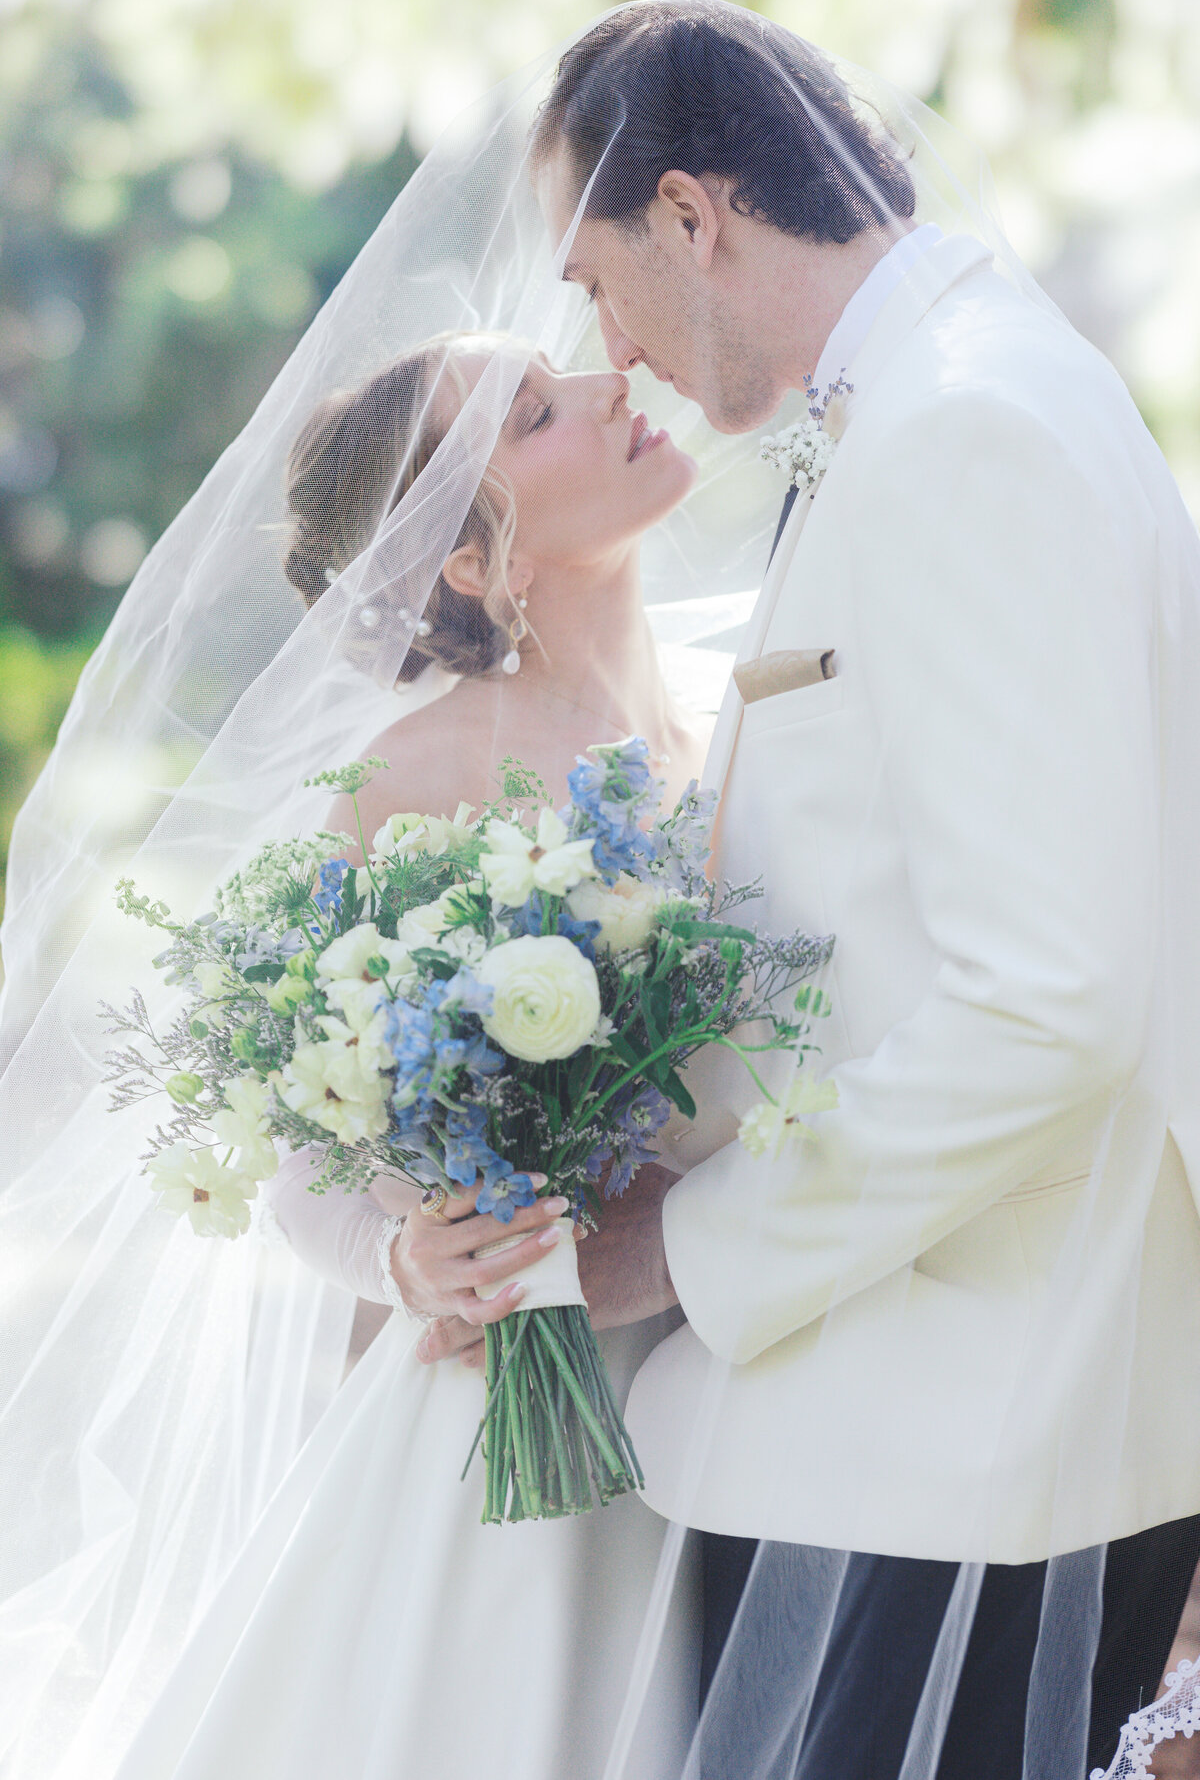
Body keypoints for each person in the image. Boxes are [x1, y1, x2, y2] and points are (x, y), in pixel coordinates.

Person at [440, 0, 1200, 1779]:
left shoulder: (964, 428)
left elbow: (1053, 998)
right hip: (931, 1415)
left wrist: (677, 1256)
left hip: (954, 1437)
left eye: (592, 270)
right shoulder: (956, 387)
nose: (597, 335)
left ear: (694, 215)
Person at [102, 332, 710, 1779]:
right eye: (542, 414)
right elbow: (299, 1120)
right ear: (465, 557)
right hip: (517, 1417)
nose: (617, 386)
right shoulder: (413, 773)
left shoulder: (746, 710)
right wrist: (402, 1257)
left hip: (733, 1359)